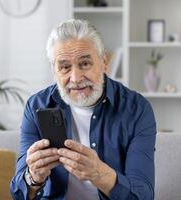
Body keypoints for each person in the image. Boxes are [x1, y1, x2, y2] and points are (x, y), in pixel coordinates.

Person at [10, 19, 156, 200]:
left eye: (85, 64)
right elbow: (18, 193)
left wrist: (99, 173)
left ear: (104, 63)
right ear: (54, 71)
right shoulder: (36, 106)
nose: (76, 78)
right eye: (64, 67)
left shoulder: (137, 109)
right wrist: (33, 177)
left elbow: (143, 195)